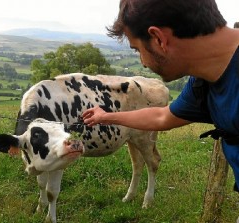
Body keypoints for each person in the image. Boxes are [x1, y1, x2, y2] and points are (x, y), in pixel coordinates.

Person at [82, 0, 239, 195]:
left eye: (138, 50)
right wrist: (105, 117)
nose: (143, 63)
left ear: (158, 39)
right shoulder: (202, 82)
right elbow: (162, 117)